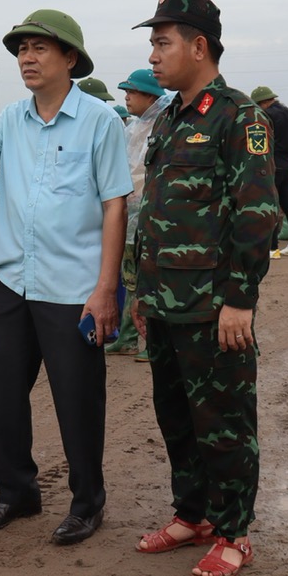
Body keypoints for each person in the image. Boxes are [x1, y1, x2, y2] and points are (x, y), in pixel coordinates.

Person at [0, 8, 131, 546]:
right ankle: (16, 492)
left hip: (73, 288)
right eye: (21, 50)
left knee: (78, 401)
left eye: (39, 49)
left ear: (70, 59)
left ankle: (87, 503)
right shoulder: (12, 119)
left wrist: (106, 288)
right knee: (4, 396)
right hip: (13, 282)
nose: (26, 59)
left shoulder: (100, 121)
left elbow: (114, 205)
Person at [130, 0, 278, 576]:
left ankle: (235, 532)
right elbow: (156, 211)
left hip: (213, 307)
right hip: (166, 303)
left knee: (223, 422)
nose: (155, 54)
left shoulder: (241, 117)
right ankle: (193, 515)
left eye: (163, 43)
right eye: (153, 43)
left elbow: (257, 214)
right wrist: (143, 291)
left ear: (198, 46)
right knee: (176, 416)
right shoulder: (170, 117)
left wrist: (240, 299)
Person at [107, 68, 171, 360]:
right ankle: (128, 336)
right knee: (129, 276)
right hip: (130, 212)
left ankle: (149, 341)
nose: (127, 97)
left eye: (132, 92)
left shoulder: (165, 124)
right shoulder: (133, 127)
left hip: (153, 215)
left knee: (151, 279)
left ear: (150, 95)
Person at [251, 86, 288, 259]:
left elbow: (260, 145)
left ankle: (273, 249)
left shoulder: (266, 116)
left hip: (271, 167)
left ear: (263, 102)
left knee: (270, 207)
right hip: (287, 167)